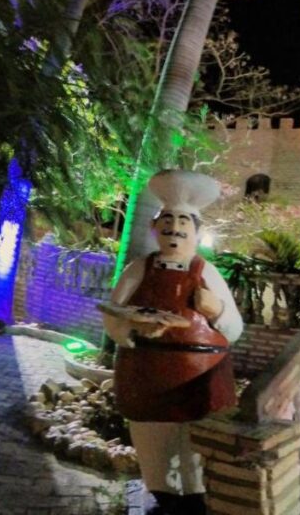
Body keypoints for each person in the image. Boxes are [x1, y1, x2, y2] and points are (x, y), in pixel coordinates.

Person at [102, 170, 242, 515]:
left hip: (202, 380)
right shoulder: (138, 268)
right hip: (147, 377)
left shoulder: (207, 273)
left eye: (183, 222)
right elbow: (113, 315)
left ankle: (195, 502)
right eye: (167, 220)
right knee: (154, 448)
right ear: (155, 228)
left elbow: (235, 328)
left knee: (196, 451)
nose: (174, 229)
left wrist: (217, 308)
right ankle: (161, 499)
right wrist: (132, 331)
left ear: (196, 232)